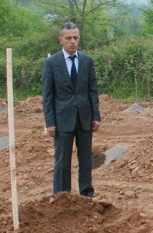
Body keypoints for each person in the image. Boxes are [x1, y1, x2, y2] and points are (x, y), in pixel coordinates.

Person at [42, 22, 100, 197]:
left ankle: (87, 193)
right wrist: (50, 122)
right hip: (62, 121)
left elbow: (92, 91)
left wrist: (96, 116)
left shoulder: (87, 61)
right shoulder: (51, 63)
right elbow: (48, 95)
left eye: (76, 38)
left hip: (84, 119)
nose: (73, 41)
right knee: (62, 161)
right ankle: (61, 194)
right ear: (61, 40)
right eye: (69, 38)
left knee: (86, 159)